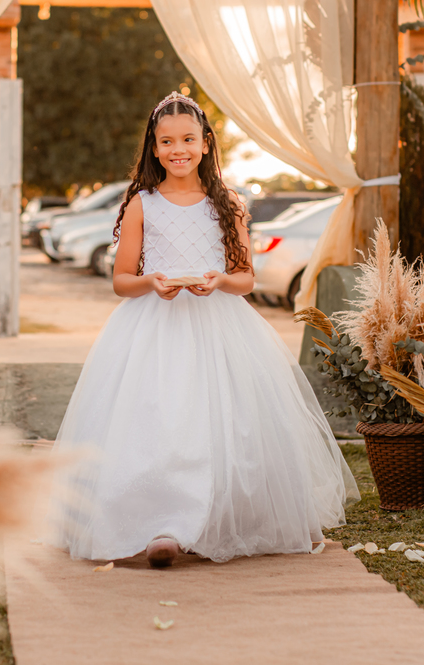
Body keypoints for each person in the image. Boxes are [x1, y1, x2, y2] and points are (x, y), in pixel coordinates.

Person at [48, 92, 358, 568]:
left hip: (219, 324)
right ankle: (161, 524)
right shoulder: (142, 205)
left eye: (188, 139)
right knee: (158, 419)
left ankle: (214, 518)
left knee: (224, 423)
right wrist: (151, 282)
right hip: (153, 326)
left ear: (206, 143)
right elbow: (122, 280)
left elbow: (245, 277)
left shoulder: (227, 203)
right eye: (167, 141)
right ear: (154, 149)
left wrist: (219, 281)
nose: (179, 149)